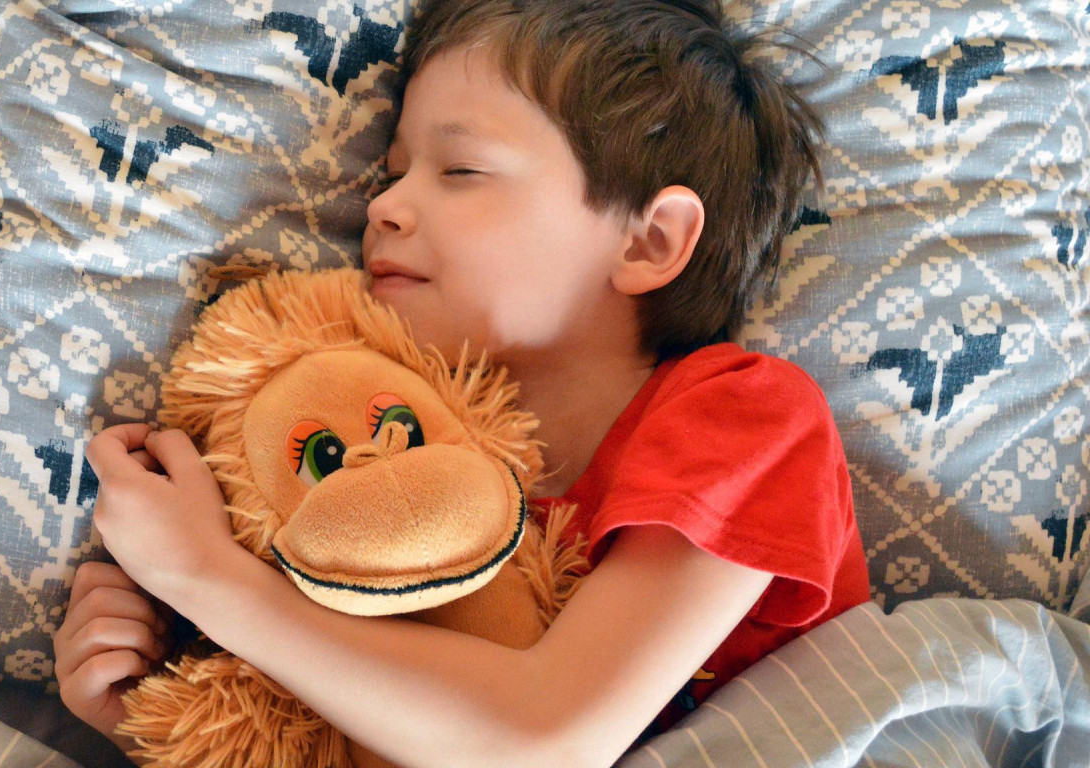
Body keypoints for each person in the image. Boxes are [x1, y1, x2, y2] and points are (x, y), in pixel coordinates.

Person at [54, 1, 872, 765]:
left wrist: (207, 579)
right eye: (392, 173)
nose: (384, 208)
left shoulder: (745, 416)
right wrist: (155, 715)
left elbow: (544, 740)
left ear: (648, 241)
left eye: (461, 169)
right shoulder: (378, 449)